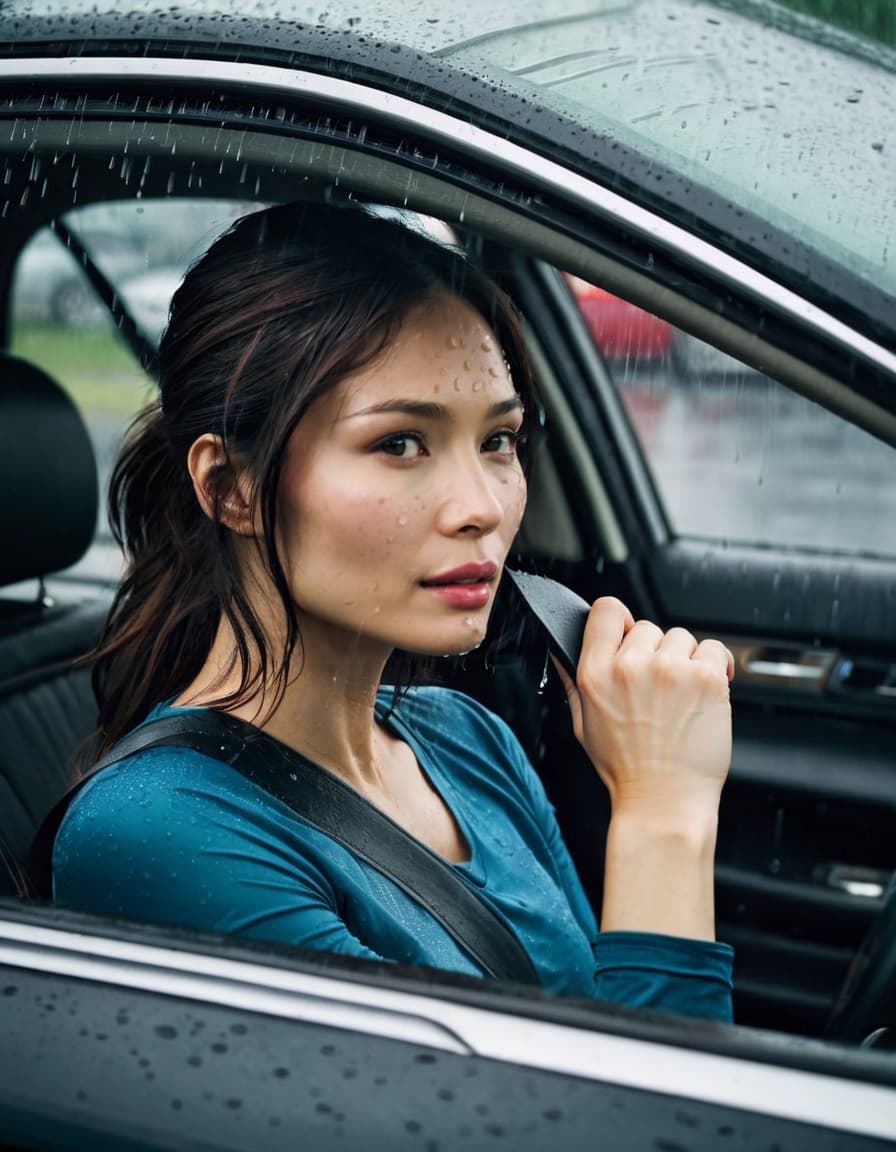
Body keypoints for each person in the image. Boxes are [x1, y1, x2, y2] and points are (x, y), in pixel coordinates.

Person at [53, 201, 735, 1020]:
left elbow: (595, 1026)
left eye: (499, 441)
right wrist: (664, 814)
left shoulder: (467, 737)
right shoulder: (158, 829)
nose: (481, 506)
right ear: (231, 489)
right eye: (400, 443)